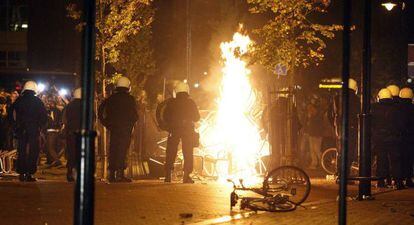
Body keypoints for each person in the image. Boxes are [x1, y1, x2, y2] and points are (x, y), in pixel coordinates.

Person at [98, 76, 138, 183]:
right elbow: (135, 115)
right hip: (125, 128)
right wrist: (130, 124)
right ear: (128, 87)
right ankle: (120, 173)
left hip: (114, 128)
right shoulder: (130, 99)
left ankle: (111, 174)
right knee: (122, 150)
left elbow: (101, 110)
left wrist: (106, 123)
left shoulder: (111, 98)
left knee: (113, 148)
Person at [10, 81, 47, 182]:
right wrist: (39, 127)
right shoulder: (38, 101)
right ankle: (29, 173)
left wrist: (15, 127)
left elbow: (11, 114)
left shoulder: (19, 100)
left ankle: (21, 173)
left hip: (21, 129)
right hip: (33, 130)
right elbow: (44, 116)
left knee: (21, 151)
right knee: (33, 151)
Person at [164, 82, 200, 183]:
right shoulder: (190, 102)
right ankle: (186, 176)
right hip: (187, 130)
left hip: (174, 129)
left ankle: (167, 175)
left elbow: (165, 117)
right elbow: (197, 117)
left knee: (171, 151)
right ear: (187, 91)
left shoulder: (171, 102)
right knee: (187, 152)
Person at [371, 88, 405, 189]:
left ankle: (381, 181)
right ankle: (398, 182)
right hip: (393, 138)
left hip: (379, 138)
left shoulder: (374, 107)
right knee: (395, 160)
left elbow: (371, 124)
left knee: (381, 159)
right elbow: (400, 124)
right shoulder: (396, 108)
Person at [331, 78, 360, 177]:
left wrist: (335, 126)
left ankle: (339, 172)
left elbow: (331, 114)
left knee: (340, 151)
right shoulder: (356, 99)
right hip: (351, 128)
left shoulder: (337, 98)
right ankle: (346, 174)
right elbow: (358, 114)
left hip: (339, 128)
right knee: (350, 151)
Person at [62, 88, 82, 182]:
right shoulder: (86, 105)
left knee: (71, 152)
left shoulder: (69, 106)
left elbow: (64, 119)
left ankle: (70, 172)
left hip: (71, 133)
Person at [398, 87, 414, 187]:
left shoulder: (396, 108)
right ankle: (408, 178)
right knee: (409, 159)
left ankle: (400, 178)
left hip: (400, 136)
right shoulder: (412, 108)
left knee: (400, 158)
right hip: (411, 137)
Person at [44, 96, 63, 167]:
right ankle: (53, 161)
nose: (48, 104)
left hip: (51, 131)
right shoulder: (57, 110)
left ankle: (57, 161)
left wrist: (49, 120)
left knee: (50, 147)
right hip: (55, 131)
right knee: (52, 147)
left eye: (50, 102)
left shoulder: (52, 111)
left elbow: (53, 121)